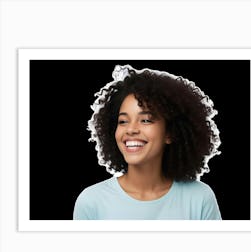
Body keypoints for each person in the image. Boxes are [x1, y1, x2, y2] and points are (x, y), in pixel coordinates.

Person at [73, 64, 222, 220]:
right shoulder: (92, 202)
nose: (130, 129)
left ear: (170, 133)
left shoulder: (200, 199)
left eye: (145, 120)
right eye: (123, 121)